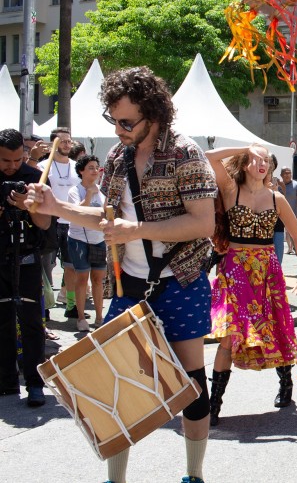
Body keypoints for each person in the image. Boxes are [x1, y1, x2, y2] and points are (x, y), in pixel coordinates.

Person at [26, 66, 217, 483]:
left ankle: (194, 475)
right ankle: (116, 480)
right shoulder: (117, 156)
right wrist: (55, 207)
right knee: (117, 389)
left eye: (126, 121)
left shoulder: (185, 153)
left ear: (154, 113)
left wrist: (139, 229)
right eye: (113, 120)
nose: (119, 128)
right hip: (129, 286)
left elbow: (203, 223)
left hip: (179, 281)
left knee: (191, 385)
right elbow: (108, 218)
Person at [205, 144, 297, 425]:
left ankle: (285, 383)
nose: (262, 164)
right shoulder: (230, 189)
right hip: (235, 270)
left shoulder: (276, 198)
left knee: (276, 325)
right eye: (256, 159)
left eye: (266, 160)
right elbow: (209, 157)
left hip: (266, 270)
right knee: (229, 335)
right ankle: (214, 404)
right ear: (244, 162)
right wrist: (245, 147)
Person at [0, 129, 51, 407]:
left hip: (28, 256)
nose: (11, 166)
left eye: (17, 159)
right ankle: (6, 380)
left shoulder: (35, 179)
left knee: (32, 322)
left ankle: (34, 382)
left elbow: (44, 224)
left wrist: (29, 206)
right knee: (3, 319)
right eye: (5, 161)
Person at [66, 155, 107, 331]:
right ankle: (81, 317)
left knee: (98, 279)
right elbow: (77, 213)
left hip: (98, 240)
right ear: (81, 171)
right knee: (82, 278)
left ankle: (99, 317)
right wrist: (89, 194)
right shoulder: (74, 191)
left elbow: (108, 212)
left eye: (97, 167)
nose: (95, 170)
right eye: (90, 167)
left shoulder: (102, 190)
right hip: (79, 240)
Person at [45, 128, 81, 318]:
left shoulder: (76, 166)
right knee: (47, 265)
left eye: (69, 141)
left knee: (70, 265)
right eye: (62, 141)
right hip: (50, 221)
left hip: (71, 222)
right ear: (53, 144)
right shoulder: (45, 166)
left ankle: (70, 304)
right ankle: (46, 305)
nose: (67, 144)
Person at [281, 166, 297, 256]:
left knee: (296, 239)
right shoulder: (279, 186)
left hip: (293, 216)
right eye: (285, 173)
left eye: (289, 173)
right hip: (280, 217)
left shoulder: (296, 185)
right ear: (281, 175)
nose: (287, 175)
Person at [269, 154, 286, 264]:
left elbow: (284, 197)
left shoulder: (276, 184)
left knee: (277, 262)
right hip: (264, 231)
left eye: (270, 162)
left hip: (278, 227)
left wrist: (279, 187)